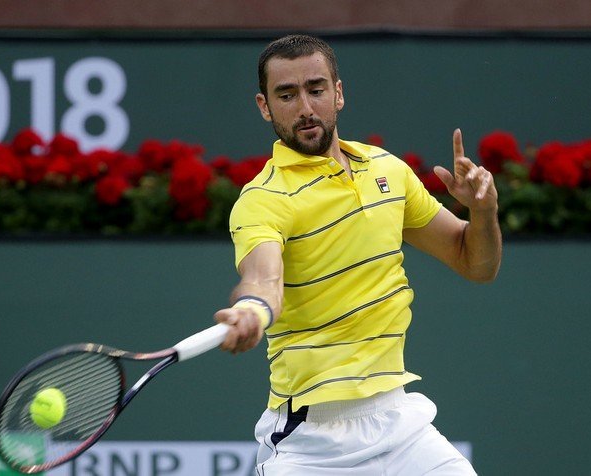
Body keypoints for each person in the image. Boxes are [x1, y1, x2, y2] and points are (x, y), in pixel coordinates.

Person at [213, 34, 501, 475]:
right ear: (264, 106)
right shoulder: (263, 200)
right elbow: (263, 280)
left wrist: (483, 211)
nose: (305, 107)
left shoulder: (389, 171)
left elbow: (475, 263)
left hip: (401, 424)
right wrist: (252, 309)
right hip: (310, 441)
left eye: (316, 89)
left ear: (338, 93)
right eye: (286, 95)